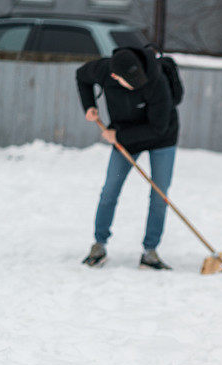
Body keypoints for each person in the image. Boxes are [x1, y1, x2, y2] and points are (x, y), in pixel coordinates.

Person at [76, 46, 180, 269]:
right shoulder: (104, 70)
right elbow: (81, 75)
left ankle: (150, 252)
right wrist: (89, 106)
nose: (137, 88)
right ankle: (99, 245)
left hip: (162, 138)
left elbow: (159, 128)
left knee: (159, 193)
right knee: (110, 190)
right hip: (123, 139)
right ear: (114, 76)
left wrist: (117, 135)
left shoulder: (156, 81)